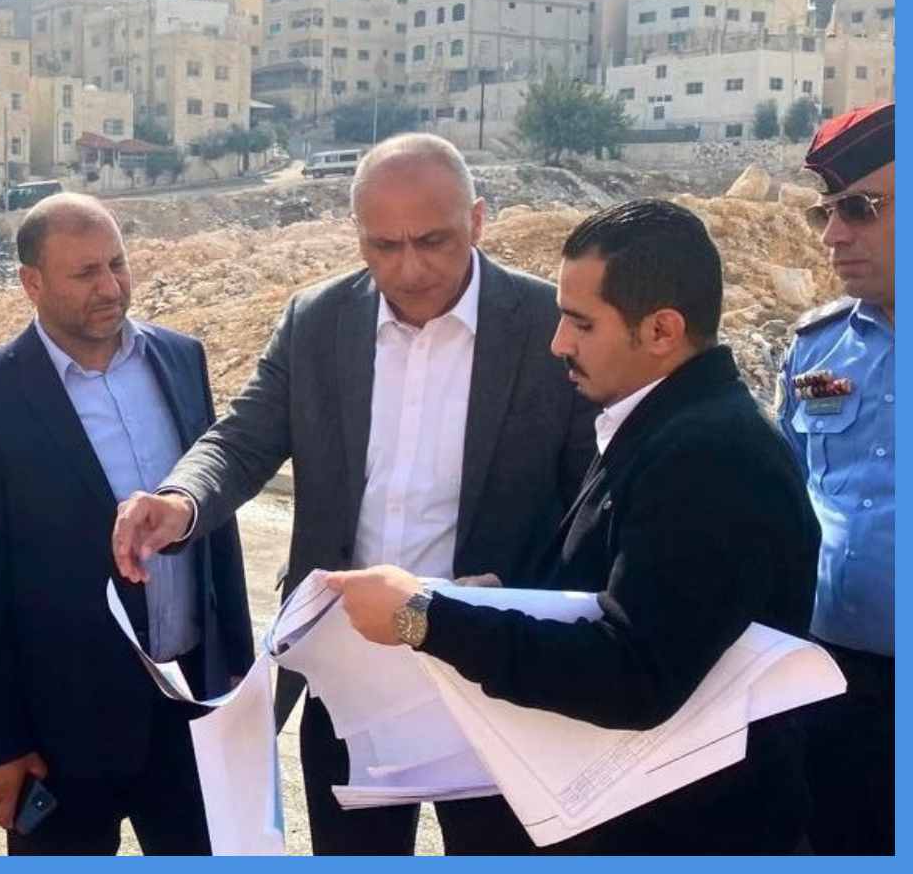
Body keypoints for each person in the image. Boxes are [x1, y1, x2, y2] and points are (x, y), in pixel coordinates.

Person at [111, 133, 596, 855]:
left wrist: (534, 600)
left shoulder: (547, 327)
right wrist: (180, 501)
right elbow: (243, 438)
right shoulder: (319, 321)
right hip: (349, 667)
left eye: (432, 240)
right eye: (383, 246)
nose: (409, 267)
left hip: (493, 664)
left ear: (478, 220)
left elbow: (592, 496)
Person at [323, 199, 820, 854]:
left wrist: (424, 619)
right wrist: (489, 598)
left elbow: (633, 672)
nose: (559, 343)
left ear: (662, 330)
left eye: (582, 323)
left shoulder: (710, 455)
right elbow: (610, 588)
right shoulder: (660, 424)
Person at [0, 194, 253, 855]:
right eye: (84, 273)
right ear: (32, 283)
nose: (110, 287)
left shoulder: (180, 358)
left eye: (117, 264)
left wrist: (239, 678)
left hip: (191, 707)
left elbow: (215, 528)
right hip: (62, 733)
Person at [775, 101, 895, 855]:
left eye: (861, 209)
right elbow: (784, 500)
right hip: (831, 680)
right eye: (827, 212)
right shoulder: (818, 348)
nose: (832, 235)